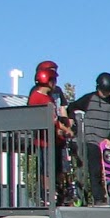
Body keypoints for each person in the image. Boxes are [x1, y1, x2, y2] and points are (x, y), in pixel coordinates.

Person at [67, 72, 110, 205]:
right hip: (92, 140)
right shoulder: (89, 99)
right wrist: (71, 120)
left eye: (108, 92)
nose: (106, 95)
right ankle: (98, 198)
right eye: (104, 92)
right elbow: (72, 107)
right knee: (95, 170)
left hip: (106, 142)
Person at [26, 60, 73, 203]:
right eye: (53, 79)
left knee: (58, 168)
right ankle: (47, 194)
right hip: (44, 140)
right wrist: (65, 129)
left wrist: (65, 128)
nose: (55, 83)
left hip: (55, 140)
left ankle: (58, 192)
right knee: (46, 168)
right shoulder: (37, 96)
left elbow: (56, 117)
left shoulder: (50, 97)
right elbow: (49, 120)